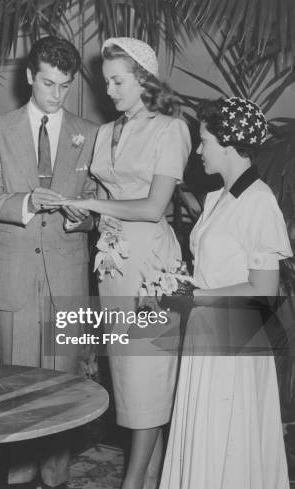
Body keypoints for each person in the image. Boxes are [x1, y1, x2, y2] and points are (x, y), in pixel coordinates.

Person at [64, 38, 191, 489]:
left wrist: (95, 206)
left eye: (118, 81)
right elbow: (105, 197)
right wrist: (80, 211)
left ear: (143, 79)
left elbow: (155, 206)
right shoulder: (104, 132)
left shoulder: (169, 128)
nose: (110, 90)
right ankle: (151, 479)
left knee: (147, 378)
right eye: (107, 82)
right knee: (128, 378)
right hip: (112, 263)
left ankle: (132, 483)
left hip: (151, 266)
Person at [159, 97, 291, 489]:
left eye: (204, 141)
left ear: (230, 146)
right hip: (208, 331)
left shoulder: (260, 203)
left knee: (229, 441)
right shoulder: (217, 198)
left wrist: (197, 297)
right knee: (205, 435)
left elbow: (263, 290)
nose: (198, 151)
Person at [0, 35, 99, 374]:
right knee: (17, 387)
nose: (56, 95)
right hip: (13, 275)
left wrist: (81, 219)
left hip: (67, 275)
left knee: (65, 392)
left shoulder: (90, 133)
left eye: (64, 86)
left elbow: (99, 205)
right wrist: (27, 202)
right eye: (48, 83)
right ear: (30, 76)